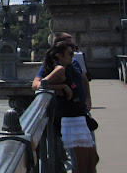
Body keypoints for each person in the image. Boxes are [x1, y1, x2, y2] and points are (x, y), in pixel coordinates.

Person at [41, 41, 98, 172]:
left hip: (78, 116)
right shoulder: (60, 69)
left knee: (93, 159)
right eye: (70, 54)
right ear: (59, 56)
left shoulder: (69, 67)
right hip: (71, 119)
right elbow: (41, 85)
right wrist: (62, 86)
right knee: (83, 164)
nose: (73, 56)